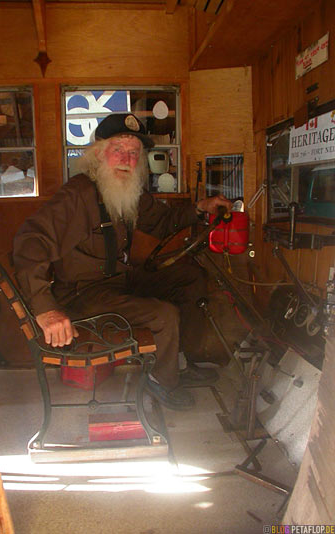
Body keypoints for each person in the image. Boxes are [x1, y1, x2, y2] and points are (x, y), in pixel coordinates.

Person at [13, 113, 232, 411]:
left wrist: (199, 208)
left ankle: (181, 361)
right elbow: (30, 241)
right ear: (99, 153)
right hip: (83, 294)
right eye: (119, 150)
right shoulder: (78, 194)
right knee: (163, 314)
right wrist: (46, 309)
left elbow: (164, 220)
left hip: (119, 281)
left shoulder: (127, 191)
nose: (126, 160)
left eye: (133, 153)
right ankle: (161, 381)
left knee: (189, 277)